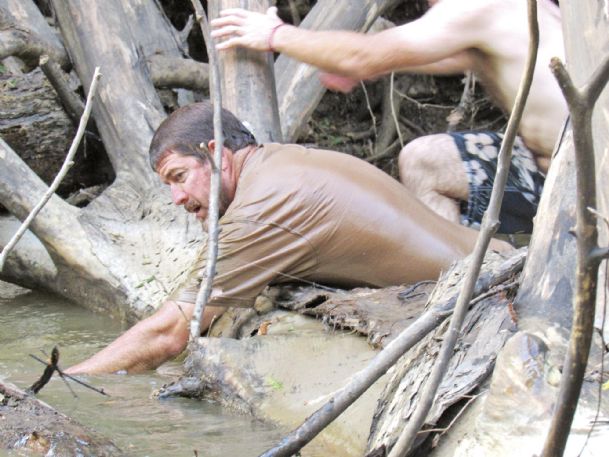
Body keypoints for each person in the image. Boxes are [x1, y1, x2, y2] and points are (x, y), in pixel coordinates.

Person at [66, 101, 511, 375]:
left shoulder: (263, 208)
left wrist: (73, 381)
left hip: (501, 292)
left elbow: (169, 334)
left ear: (217, 153)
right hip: (499, 259)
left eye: (179, 177)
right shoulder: (279, 163)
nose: (176, 198)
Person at [210, 0, 567, 233]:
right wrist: (360, 65)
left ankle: (463, 287)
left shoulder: (478, 6)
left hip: (586, 182)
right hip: (546, 171)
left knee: (425, 161)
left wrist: (274, 34)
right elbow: (406, 57)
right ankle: (461, 279)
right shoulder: (502, 12)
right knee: (426, 160)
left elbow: (363, 56)